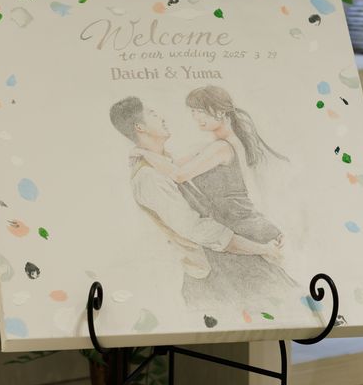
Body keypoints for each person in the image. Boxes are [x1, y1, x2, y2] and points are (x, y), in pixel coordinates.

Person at [109, 96, 286, 308]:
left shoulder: (166, 162)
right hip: (217, 277)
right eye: (153, 114)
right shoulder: (149, 177)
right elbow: (198, 229)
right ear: (140, 127)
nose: (162, 117)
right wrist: (261, 249)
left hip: (235, 262)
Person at [135, 85, 290, 246]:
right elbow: (172, 165)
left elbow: (179, 175)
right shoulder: (220, 144)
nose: (196, 117)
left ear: (220, 112)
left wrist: (143, 153)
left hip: (246, 229)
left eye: (200, 111)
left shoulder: (221, 148)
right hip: (243, 226)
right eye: (193, 111)